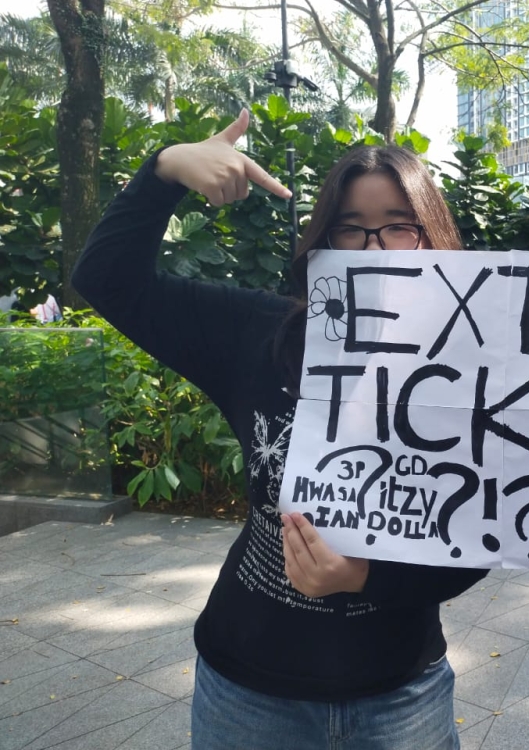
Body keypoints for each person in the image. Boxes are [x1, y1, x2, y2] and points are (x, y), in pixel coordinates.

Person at [72, 111, 488, 750]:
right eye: (351, 228)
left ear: (434, 240)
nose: (373, 249)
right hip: (249, 696)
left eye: (399, 228)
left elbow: (482, 538)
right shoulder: (259, 336)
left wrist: (365, 578)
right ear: (322, 241)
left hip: (401, 695)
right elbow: (107, 282)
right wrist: (165, 170)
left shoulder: (475, 369)